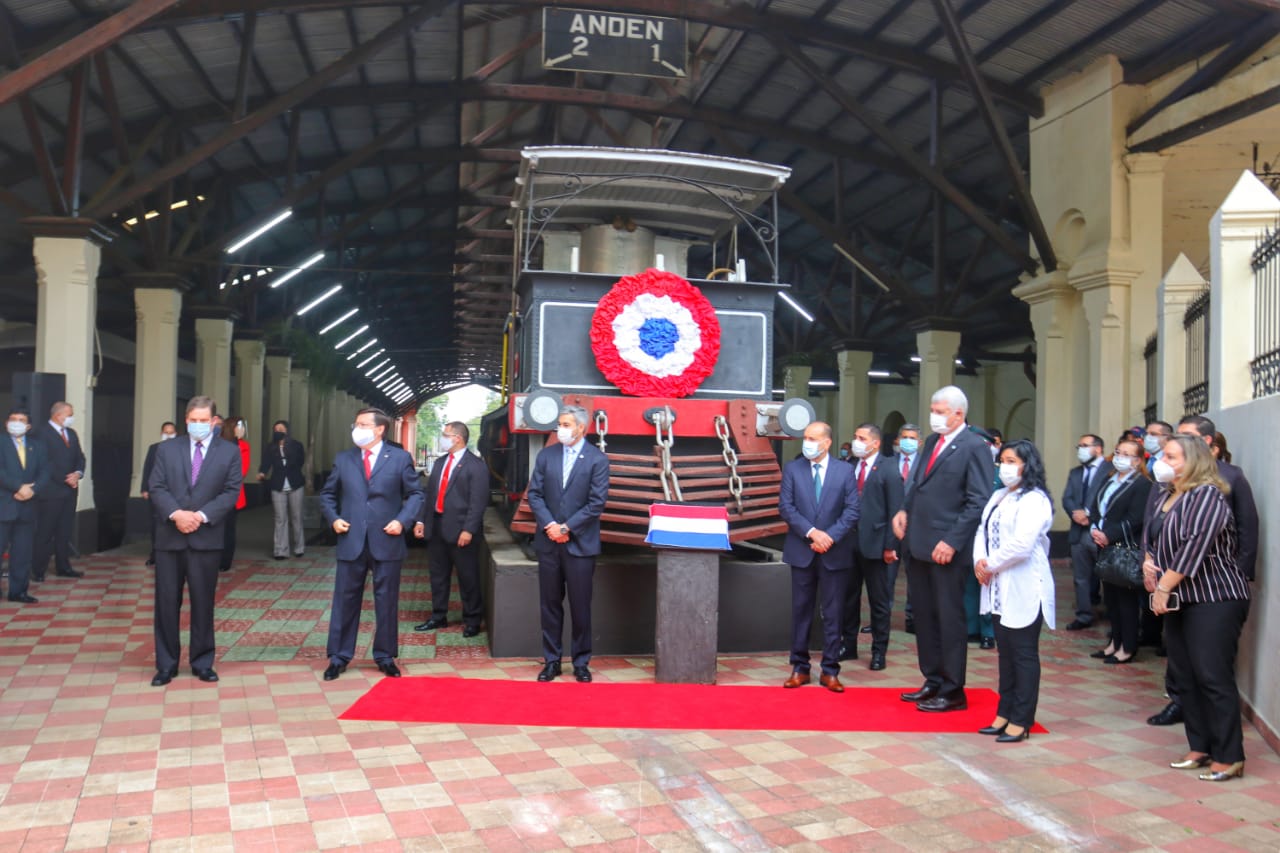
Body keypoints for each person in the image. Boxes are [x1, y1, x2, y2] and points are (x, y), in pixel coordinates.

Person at [1144, 435, 1250, 782]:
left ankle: (1229, 755)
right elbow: (1155, 536)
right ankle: (1200, 746)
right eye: (1163, 455)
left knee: (1212, 675)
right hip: (1180, 599)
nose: (1164, 461)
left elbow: (1195, 547)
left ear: (1193, 460)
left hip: (1215, 597)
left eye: (1172, 456)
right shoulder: (1166, 493)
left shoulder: (1208, 495)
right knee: (1185, 676)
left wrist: (1163, 586)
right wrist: (1149, 562)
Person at [892, 386, 992, 712]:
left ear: (958, 414)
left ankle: (953, 689)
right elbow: (918, 483)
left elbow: (977, 500)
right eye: (933, 410)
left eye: (939, 411)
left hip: (947, 548)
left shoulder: (974, 446)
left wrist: (952, 540)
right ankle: (932, 678)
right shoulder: (934, 442)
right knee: (925, 616)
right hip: (919, 543)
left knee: (949, 618)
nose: (933, 416)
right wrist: (904, 509)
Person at [319, 407, 424, 681]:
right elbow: (328, 494)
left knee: (386, 600)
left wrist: (402, 521)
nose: (358, 429)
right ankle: (339, 656)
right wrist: (334, 519)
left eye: (364, 424)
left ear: (380, 430)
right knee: (345, 600)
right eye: (356, 424)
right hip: (351, 539)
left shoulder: (400, 459)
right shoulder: (344, 459)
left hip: (387, 540)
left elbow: (415, 494)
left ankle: (385, 655)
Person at [147, 396, 243, 686]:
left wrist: (199, 516)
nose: (198, 425)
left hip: (206, 538)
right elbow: (156, 486)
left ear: (214, 422)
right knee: (166, 603)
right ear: (185, 420)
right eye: (193, 420)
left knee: (203, 603)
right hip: (170, 538)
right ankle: (166, 664)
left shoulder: (229, 452)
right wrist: (177, 514)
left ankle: (202, 662)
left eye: (204, 420)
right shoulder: (166, 449)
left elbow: (230, 491)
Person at [974, 439, 1055, 742]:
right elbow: (981, 530)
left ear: (1027, 465)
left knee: (1022, 654)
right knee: (1004, 654)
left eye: (1012, 461)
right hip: (996, 585)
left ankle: (1022, 719)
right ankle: (1003, 712)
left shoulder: (1034, 499)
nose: (1005, 467)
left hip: (1023, 583)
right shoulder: (998, 496)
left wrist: (990, 564)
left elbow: (1022, 544)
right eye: (1003, 461)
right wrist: (979, 563)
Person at [526, 405, 610, 683]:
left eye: (565, 424)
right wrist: (551, 525)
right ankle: (551, 661)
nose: (560, 429)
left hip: (580, 545)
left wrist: (567, 527)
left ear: (581, 428)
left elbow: (596, 503)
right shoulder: (547, 455)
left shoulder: (597, 459)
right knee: (549, 604)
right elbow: (535, 494)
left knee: (580, 606)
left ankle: (581, 661)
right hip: (549, 542)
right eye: (559, 424)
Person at [778, 421, 859, 692]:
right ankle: (799, 667)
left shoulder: (845, 471)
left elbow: (851, 510)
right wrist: (813, 533)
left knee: (834, 613)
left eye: (812, 438)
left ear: (826, 442)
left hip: (834, 553)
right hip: (802, 551)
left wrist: (829, 537)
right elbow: (786, 507)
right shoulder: (793, 468)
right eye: (805, 438)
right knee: (801, 611)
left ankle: (830, 670)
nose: (807, 442)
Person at [414, 421, 488, 637]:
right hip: (436, 527)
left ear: (458, 438)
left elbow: (478, 502)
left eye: (446, 435)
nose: (442, 438)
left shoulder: (475, 465)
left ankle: (473, 619)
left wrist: (469, 530)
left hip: (461, 531)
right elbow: (429, 496)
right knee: (437, 575)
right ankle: (438, 616)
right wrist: (421, 521)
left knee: (468, 578)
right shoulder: (439, 463)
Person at [839, 423, 902, 672]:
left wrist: (890, 545)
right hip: (849, 543)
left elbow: (895, 510)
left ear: (875, 443)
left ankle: (879, 651)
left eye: (861, 438)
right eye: (855, 437)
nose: (856, 442)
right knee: (849, 598)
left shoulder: (888, 468)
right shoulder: (849, 467)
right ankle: (848, 644)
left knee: (878, 601)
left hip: (876, 546)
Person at [1087, 436, 1152, 665]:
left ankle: (1128, 647)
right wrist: (1095, 528)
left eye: (1126, 454)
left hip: (1124, 546)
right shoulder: (1110, 478)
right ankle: (1114, 643)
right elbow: (1096, 507)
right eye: (1118, 452)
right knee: (1111, 599)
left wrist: (1109, 534)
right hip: (1105, 545)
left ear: (1137, 461)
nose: (1120, 458)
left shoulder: (1142, 484)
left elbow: (1135, 519)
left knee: (1126, 601)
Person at [1061, 435, 1112, 630]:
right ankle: (1084, 615)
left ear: (1098, 449)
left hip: (1100, 531)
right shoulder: (1075, 472)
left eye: (1084, 446)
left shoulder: (1110, 470)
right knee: (1080, 577)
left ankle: (1110, 614)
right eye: (1079, 446)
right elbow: (1067, 498)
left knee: (1108, 576)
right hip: (1078, 531)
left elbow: (1107, 497)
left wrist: (1089, 516)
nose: (1080, 449)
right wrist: (1076, 513)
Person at [31, 401, 86, 581]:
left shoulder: (71, 433)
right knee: (45, 532)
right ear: (58, 415)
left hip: (70, 491)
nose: (71, 418)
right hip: (50, 491)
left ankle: (64, 566)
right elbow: (43, 461)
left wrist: (77, 474)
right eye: (69, 414)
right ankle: (38, 569)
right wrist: (65, 478)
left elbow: (80, 457)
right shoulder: (41, 433)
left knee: (64, 531)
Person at [2, 409, 48, 604]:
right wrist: (18, 487)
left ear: (28, 426)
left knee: (22, 553)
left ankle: (18, 591)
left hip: (28, 506)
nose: (17, 423)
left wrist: (33, 490)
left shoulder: (37, 446)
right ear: (6, 423)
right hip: (4, 504)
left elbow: (46, 471)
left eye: (21, 420)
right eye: (13, 419)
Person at [257, 420, 306, 560]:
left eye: (281, 428)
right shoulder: (270, 447)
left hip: (295, 484)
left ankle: (299, 547)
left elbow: (299, 461)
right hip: (277, 485)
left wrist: (285, 448)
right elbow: (265, 463)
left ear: (287, 431)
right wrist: (262, 472)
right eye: (276, 429)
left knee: (296, 517)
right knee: (280, 518)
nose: (278, 431)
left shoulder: (296, 445)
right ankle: (280, 550)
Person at [892, 423, 920, 635]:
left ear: (919, 442)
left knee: (915, 575)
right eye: (904, 436)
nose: (907, 440)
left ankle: (912, 617)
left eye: (911, 437)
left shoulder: (925, 465)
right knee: (885, 575)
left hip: (914, 527)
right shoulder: (888, 464)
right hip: (890, 527)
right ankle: (881, 618)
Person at [141, 422, 178, 567]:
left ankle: (172, 553)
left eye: (171, 432)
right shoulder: (154, 448)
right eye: (166, 432)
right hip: (156, 493)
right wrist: (145, 488)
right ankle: (155, 554)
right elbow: (147, 468)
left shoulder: (180, 448)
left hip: (175, 493)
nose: (168, 435)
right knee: (156, 523)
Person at [217, 416, 251, 572]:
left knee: (228, 529)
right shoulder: (217, 443)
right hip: (213, 493)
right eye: (240, 426)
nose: (242, 430)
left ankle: (225, 560)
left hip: (232, 494)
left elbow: (242, 471)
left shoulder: (243, 446)